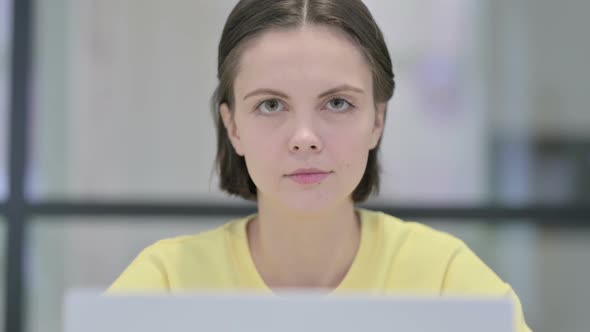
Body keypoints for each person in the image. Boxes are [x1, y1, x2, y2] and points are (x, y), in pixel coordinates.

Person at [108, 0, 532, 331]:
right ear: (233, 125)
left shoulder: (446, 282)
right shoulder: (166, 285)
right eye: (271, 104)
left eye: (337, 103)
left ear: (377, 120)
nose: (305, 137)